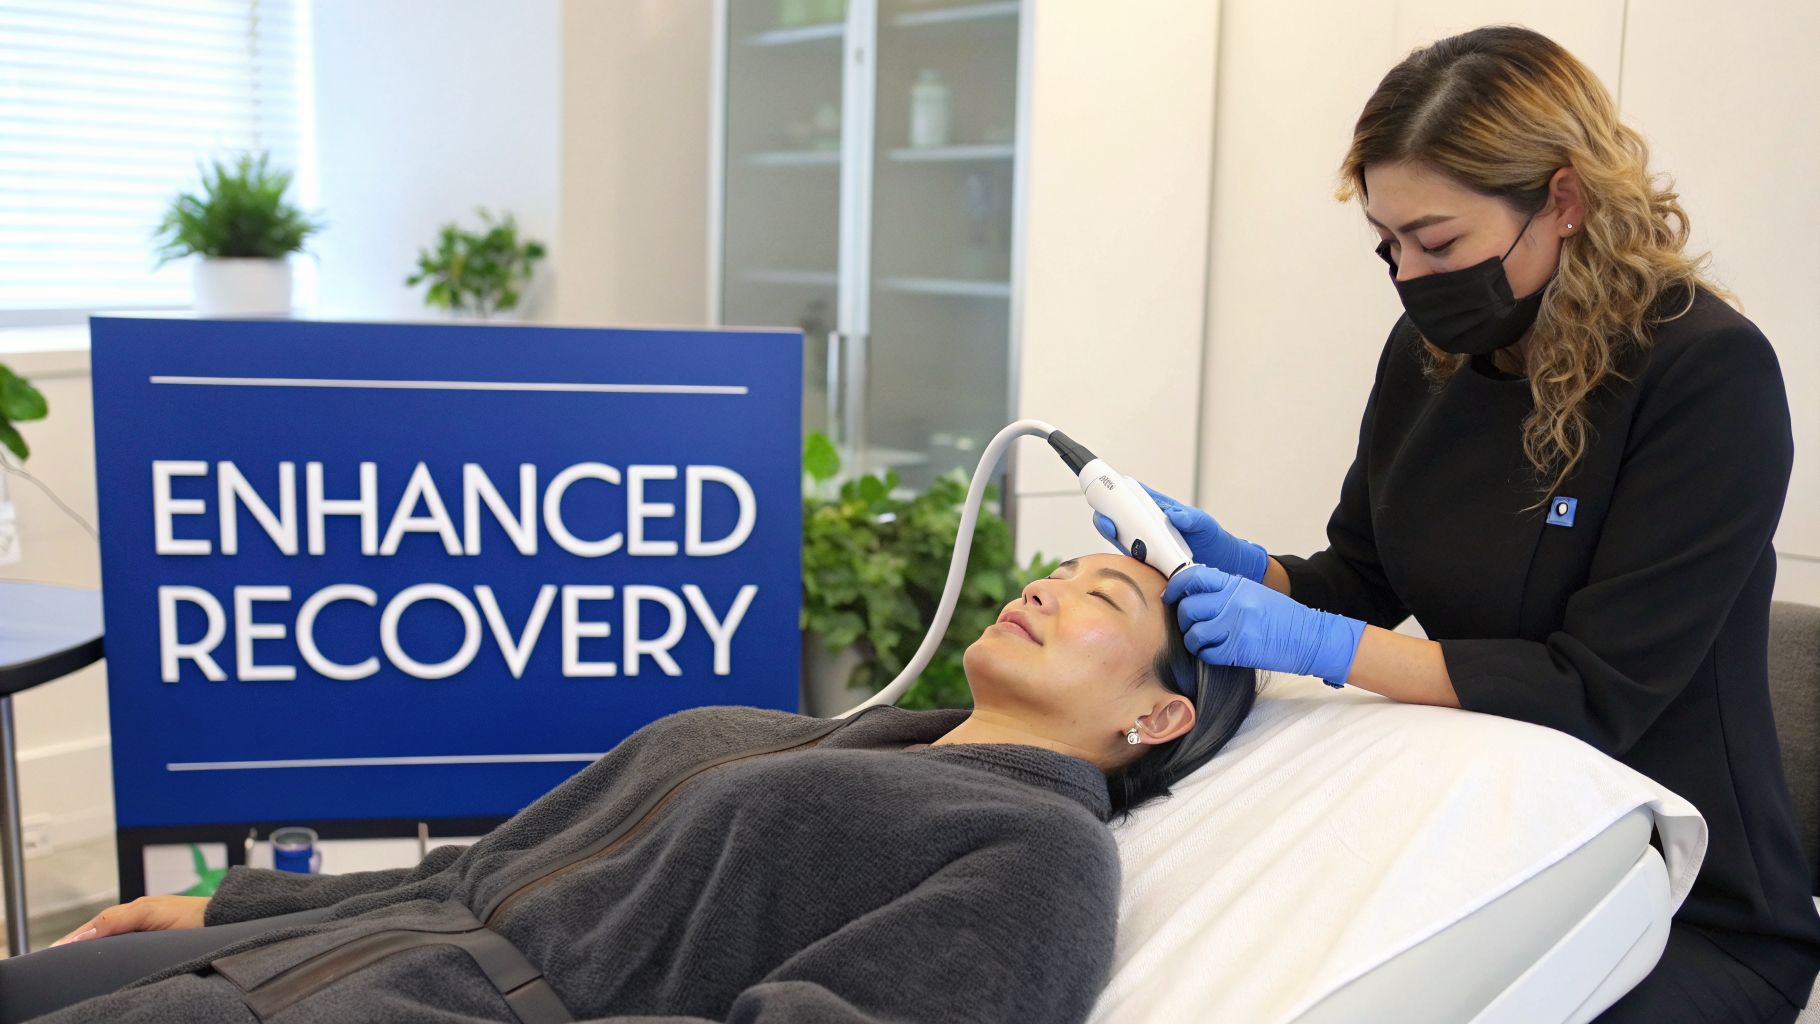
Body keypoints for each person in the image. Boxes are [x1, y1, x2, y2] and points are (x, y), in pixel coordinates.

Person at [1093, 25, 1818, 1023]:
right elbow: (1358, 576)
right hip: (1495, 841)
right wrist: (1246, 570)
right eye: (1387, 245)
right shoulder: (1429, 354)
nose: (1409, 276)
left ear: (1560, 201)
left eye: (1437, 242)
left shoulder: (1702, 374)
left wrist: (1323, 647)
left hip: (1675, 893)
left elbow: (1591, 692)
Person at [0, 552, 1256, 1024]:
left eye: (1102, 598)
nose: (1043, 586)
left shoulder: (1034, 853)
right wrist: (243, 906)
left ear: (1157, 713)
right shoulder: (806, 738)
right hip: (339, 948)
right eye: (1057, 570)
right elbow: (478, 869)